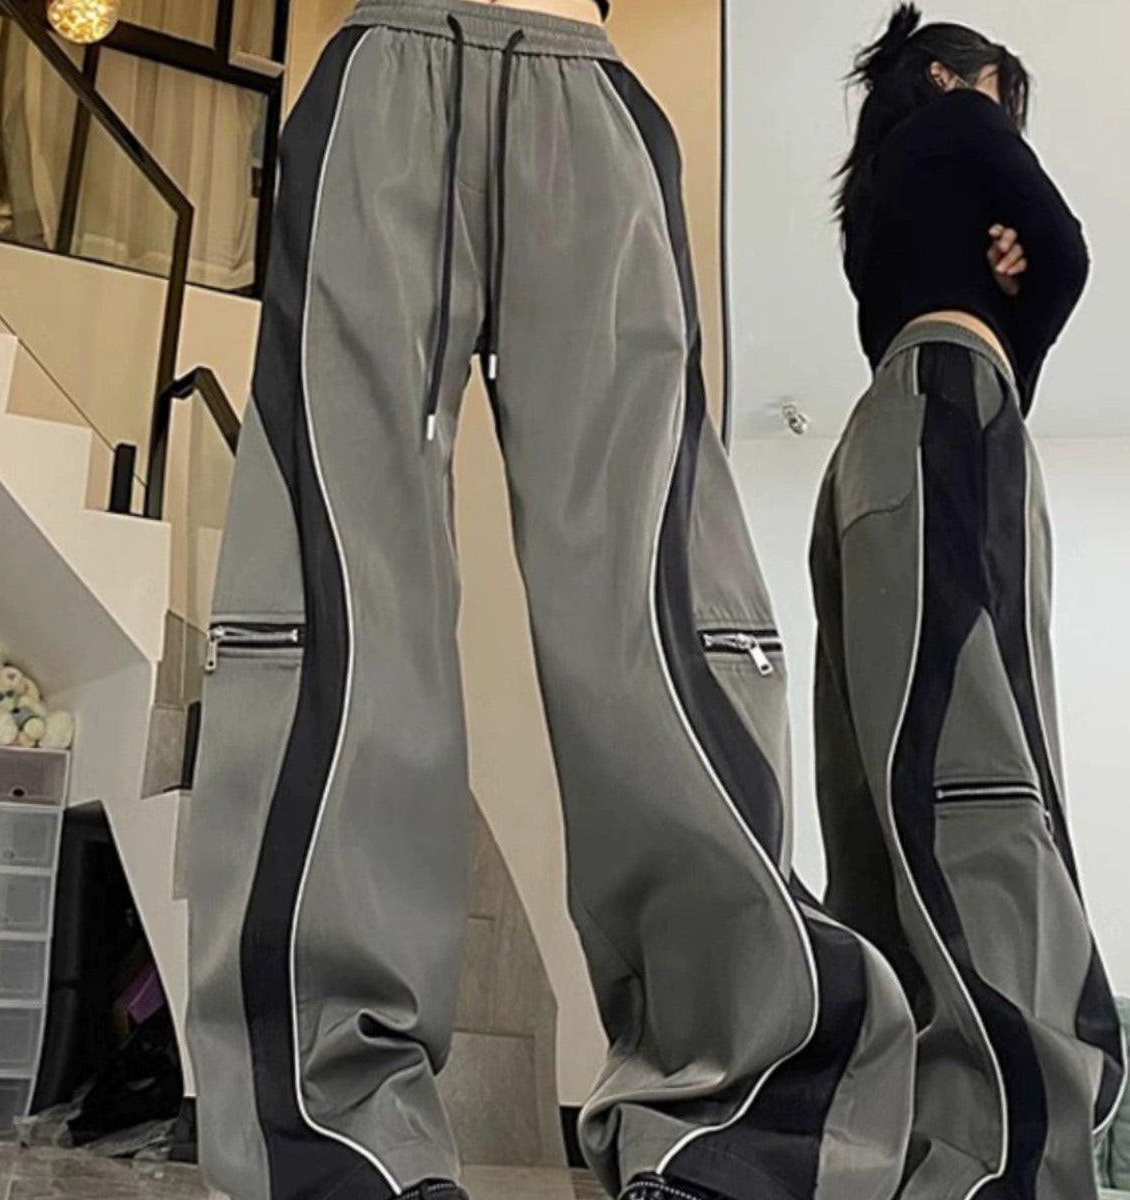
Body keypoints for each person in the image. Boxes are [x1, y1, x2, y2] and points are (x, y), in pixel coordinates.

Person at [185, 1, 923, 1199]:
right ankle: (339, 1145)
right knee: (335, 610)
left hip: (587, 82)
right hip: (379, 63)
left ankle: (725, 1128)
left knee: (660, 620)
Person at [811, 7, 1126, 1198]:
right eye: (1004, 93)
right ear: (955, 75)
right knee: (975, 763)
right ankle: (1004, 1155)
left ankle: (902, 1141)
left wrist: (996, 285)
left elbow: (1005, 257)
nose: (1008, 116)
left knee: (875, 794)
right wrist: (1016, 321)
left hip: (878, 439)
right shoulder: (961, 118)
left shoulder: (880, 189)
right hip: (952, 408)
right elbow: (1063, 249)